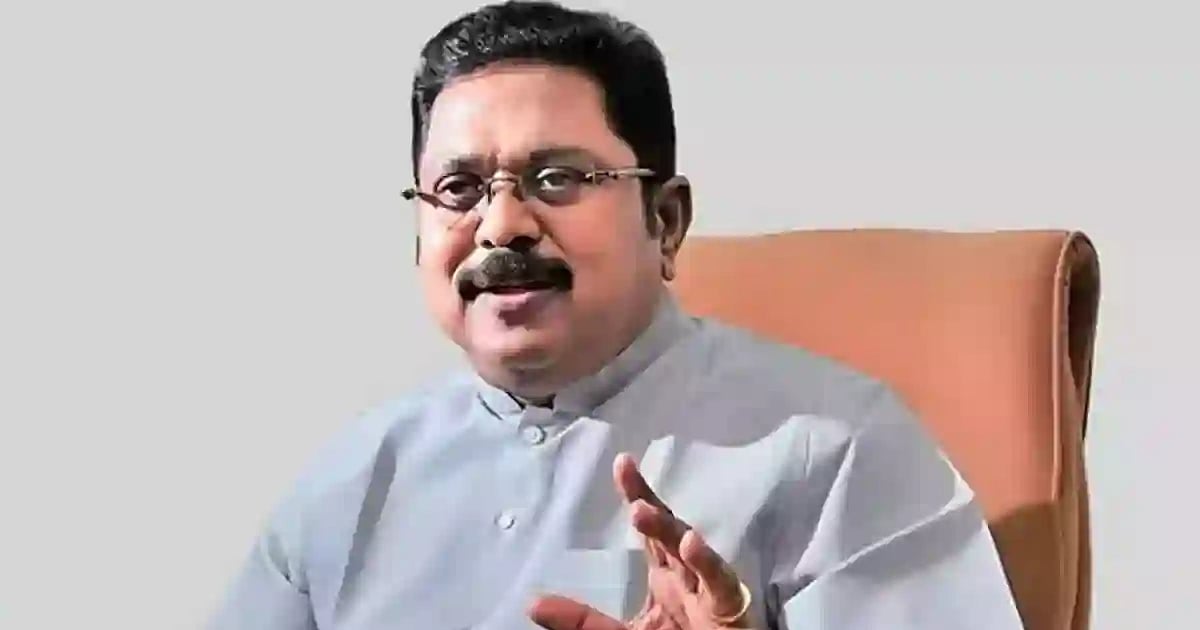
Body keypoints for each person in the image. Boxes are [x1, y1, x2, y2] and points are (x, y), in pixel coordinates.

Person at [209, 2, 1026, 628]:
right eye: (459, 189)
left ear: (664, 221)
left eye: (557, 179)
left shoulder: (842, 453)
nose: (501, 226)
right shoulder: (350, 483)